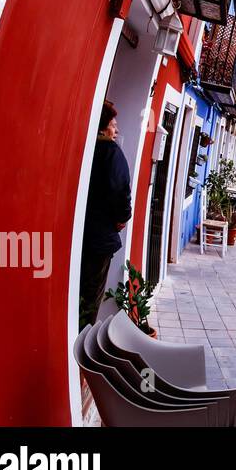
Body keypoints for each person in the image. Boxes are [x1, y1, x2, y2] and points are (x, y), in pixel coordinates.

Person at [79, 102, 132, 329]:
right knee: (90, 297)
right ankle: (81, 346)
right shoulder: (111, 152)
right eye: (112, 125)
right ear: (102, 128)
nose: (116, 130)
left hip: (79, 236)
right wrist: (123, 217)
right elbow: (121, 192)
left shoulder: (84, 150)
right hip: (100, 240)